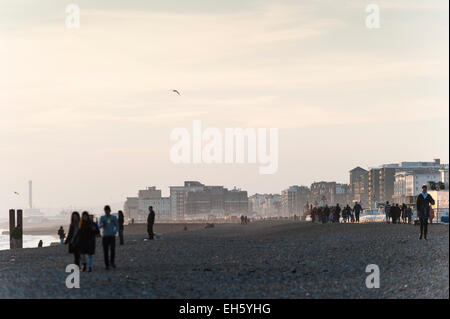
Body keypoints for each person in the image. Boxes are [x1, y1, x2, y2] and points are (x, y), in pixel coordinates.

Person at [99, 205, 118, 269]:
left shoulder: (113, 217)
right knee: (105, 251)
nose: (107, 212)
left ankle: (112, 262)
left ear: (110, 211)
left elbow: (117, 226)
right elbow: (99, 226)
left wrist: (115, 232)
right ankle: (107, 264)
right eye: (105, 211)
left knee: (112, 250)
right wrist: (102, 225)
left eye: (108, 211)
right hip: (105, 236)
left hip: (112, 236)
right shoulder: (102, 218)